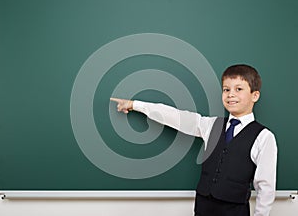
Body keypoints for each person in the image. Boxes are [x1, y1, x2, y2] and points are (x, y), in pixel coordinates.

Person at [110, 64, 277, 216]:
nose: (230, 94)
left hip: (235, 210)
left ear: (255, 95)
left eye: (238, 89)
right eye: (226, 89)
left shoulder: (263, 136)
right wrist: (134, 104)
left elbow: (266, 186)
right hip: (203, 207)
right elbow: (174, 116)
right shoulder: (210, 125)